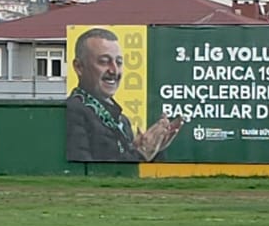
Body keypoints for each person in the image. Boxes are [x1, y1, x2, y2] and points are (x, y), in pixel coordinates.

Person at [64, 27, 183, 163]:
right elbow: (84, 172)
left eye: (119, 62)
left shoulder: (122, 120)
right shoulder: (71, 112)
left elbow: (132, 177)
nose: (114, 70)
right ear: (79, 67)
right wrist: (141, 153)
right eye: (104, 61)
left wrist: (155, 149)